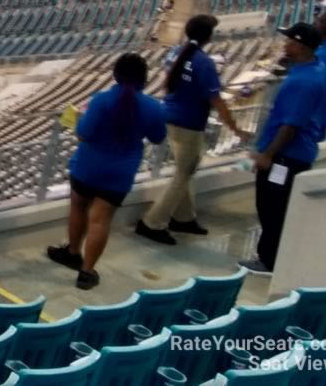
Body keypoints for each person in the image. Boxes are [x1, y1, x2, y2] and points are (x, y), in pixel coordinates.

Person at [48, 53, 166, 290]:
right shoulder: (154, 107)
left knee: (78, 207)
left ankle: (72, 252)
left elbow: (83, 133)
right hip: (119, 174)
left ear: (115, 75)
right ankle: (87, 272)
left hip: (87, 167)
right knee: (100, 221)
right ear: (144, 79)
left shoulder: (100, 100)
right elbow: (158, 137)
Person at [138, 16, 248, 244]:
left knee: (184, 169)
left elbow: (169, 83)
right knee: (183, 173)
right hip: (189, 125)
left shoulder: (174, 53)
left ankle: (184, 218)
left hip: (169, 117)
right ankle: (152, 222)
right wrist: (235, 128)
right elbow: (216, 99)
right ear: (208, 37)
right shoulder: (204, 63)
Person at [243, 23, 326, 276]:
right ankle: (272, 256)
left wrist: (267, 155)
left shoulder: (305, 81)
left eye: (290, 42)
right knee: (275, 207)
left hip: (285, 157)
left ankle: (269, 261)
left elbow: (290, 126)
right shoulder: (314, 68)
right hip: (291, 155)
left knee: (272, 207)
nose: (285, 45)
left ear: (301, 46)